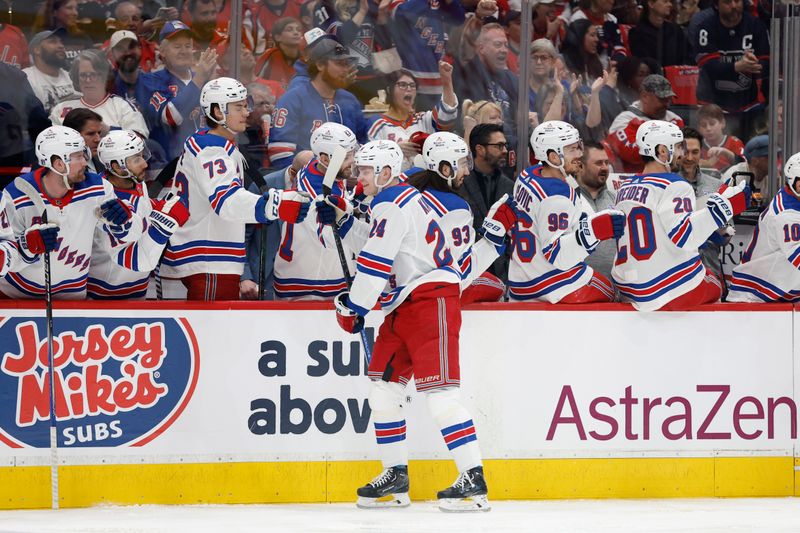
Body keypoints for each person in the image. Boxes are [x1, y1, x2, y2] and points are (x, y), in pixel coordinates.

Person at [326, 139, 492, 512]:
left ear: (387, 172)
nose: (359, 176)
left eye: (366, 171)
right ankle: (396, 475)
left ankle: (473, 479)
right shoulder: (410, 199)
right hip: (403, 304)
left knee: (441, 396)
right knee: (383, 390)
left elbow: (375, 260)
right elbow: (390, 246)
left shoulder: (394, 200)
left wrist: (355, 305)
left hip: (431, 302)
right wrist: (343, 219)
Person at [160, 77, 311, 301]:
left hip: (209, 260)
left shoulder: (214, 144)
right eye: (238, 107)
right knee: (210, 334)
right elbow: (226, 201)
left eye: (246, 105)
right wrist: (273, 204)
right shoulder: (212, 149)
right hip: (209, 261)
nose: (247, 112)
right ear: (218, 112)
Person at [611, 120, 749, 311]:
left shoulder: (623, 187)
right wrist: (727, 206)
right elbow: (684, 236)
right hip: (668, 289)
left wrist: (707, 230)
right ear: (661, 151)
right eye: (677, 147)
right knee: (715, 282)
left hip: (629, 289)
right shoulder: (675, 185)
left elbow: (656, 229)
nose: (682, 154)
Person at [0, 125, 140, 299]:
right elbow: (5, 255)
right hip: (18, 295)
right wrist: (26, 246)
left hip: (74, 295)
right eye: (79, 157)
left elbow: (128, 237)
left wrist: (125, 221)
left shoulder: (98, 188)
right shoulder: (16, 195)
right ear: (58, 163)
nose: (85, 163)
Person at [507, 120, 624, 302]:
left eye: (578, 147)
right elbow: (557, 255)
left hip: (520, 280)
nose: (580, 154)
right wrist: (594, 231)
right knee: (612, 293)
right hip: (553, 284)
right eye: (572, 149)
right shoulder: (557, 195)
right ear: (553, 157)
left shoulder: (528, 175)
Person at [405, 132, 511, 303]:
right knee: (498, 287)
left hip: (400, 285)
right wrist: (493, 241)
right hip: (433, 293)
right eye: (462, 164)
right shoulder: (456, 209)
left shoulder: (408, 182)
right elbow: (462, 274)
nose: (467, 171)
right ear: (445, 169)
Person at [88, 130, 189, 299]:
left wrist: (157, 207)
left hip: (136, 290)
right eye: (136, 159)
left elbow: (141, 210)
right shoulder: (106, 202)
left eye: (142, 156)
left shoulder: (134, 180)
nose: (145, 164)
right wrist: (163, 220)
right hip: (105, 296)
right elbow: (130, 257)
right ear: (116, 166)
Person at [272, 122, 358, 299]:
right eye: (347, 156)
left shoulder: (318, 167)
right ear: (326, 159)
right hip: (310, 287)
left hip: (310, 275)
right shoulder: (318, 197)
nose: (353, 161)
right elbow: (333, 240)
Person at [268, 31, 369, 168]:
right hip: (304, 181)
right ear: (320, 65)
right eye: (339, 63)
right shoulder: (293, 99)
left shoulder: (350, 100)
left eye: (347, 63)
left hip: (347, 180)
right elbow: (280, 154)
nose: (346, 69)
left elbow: (363, 145)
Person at [135, 21, 219, 161]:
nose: (184, 51)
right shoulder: (150, 80)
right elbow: (170, 117)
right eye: (177, 46)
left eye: (187, 46)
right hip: (170, 166)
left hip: (208, 160)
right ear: (162, 52)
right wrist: (200, 78)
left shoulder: (204, 79)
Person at [687, 0, 769, 137]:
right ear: (716, 5)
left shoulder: (756, 26)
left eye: (737, 1)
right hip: (712, 105)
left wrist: (755, 64)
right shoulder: (705, 28)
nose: (733, 6)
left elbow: (767, 62)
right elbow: (708, 67)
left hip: (749, 104)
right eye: (727, 2)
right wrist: (737, 66)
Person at [727, 152, 800, 302]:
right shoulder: (786, 215)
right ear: (792, 182)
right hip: (754, 296)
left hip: (777, 289)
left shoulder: (791, 195)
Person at [241, 150, 313, 300]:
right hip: (263, 279)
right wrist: (245, 276)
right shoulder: (262, 187)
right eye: (308, 177)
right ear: (294, 173)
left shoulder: (315, 187)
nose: (312, 181)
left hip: (302, 279)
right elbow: (242, 237)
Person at [368, 62, 458, 170]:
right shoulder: (377, 124)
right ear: (389, 90)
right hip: (393, 185)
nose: (409, 89)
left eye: (412, 85)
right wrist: (395, 149)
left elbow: (447, 115)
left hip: (424, 183)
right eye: (402, 85)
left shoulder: (424, 119)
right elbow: (369, 159)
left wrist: (446, 81)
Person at [50, 49, 149, 137]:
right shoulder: (61, 108)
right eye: (83, 75)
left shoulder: (122, 106)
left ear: (104, 76)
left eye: (93, 75)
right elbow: (50, 142)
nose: (88, 80)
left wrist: (109, 131)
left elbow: (139, 138)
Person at [461, 123, 514, 281]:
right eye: (499, 146)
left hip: (503, 276)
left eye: (505, 145)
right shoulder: (460, 183)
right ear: (480, 149)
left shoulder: (510, 186)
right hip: (469, 274)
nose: (505, 150)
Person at [390, 0, 465, 106]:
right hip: (412, 80)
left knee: (439, 120)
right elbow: (400, 13)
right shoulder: (405, 4)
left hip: (439, 78)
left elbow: (459, 19)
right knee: (413, 120)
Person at [454, 23, 519, 144]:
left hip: (510, 145)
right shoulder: (468, 75)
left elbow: (519, 120)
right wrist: (478, 18)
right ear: (481, 48)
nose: (504, 50)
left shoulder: (511, 79)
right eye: (498, 45)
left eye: (506, 45)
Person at [606, 74, 684, 172]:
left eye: (668, 99)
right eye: (662, 99)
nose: (667, 104)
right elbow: (632, 154)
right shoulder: (624, 120)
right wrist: (667, 143)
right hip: (633, 181)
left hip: (671, 179)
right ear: (644, 96)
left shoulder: (675, 119)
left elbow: (682, 153)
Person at [679, 127, 727, 276]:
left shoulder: (716, 185)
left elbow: (727, 233)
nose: (690, 158)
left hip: (710, 269)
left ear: (702, 153)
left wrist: (718, 233)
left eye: (695, 152)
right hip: (676, 273)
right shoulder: (666, 184)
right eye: (685, 152)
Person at [575, 141, 618, 279]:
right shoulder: (567, 200)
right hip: (576, 289)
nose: (605, 168)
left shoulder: (617, 200)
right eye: (599, 163)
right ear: (580, 166)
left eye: (607, 163)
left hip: (614, 290)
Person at [23, 29, 76, 113]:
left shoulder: (71, 77)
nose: (61, 46)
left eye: (61, 42)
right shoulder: (25, 78)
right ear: (37, 50)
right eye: (53, 42)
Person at [628, 0, 692, 67]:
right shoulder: (637, 33)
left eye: (670, 1)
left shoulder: (676, 30)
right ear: (651, 4)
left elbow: (688, 55)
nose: (670, 4)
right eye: (665, 1)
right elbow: (643, 62)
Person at [254, 17, 303, 90]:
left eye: (298, 30)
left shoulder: (305, 58)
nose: (296, 33)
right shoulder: (270, 56)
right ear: (278, 37)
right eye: (289, 29)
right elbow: (256, 83)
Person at [696, 103, 744, 172]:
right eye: (703, 125)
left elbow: (745, 165)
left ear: (723, 123)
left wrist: (726, 153)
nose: (708, 128)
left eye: (712, 123)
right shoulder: (697, 144)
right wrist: (706, 163)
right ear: (699, 128)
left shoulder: (735, 142)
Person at [108, 31, 146, 103]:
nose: (128, 53)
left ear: (139, 49)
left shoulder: (153, 84)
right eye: (121, 48)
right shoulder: (106, 87)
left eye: (131, 47)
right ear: (112, 53)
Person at [62, 108, 105, 173]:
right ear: (72, 135)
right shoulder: (63, 171)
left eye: (99, 133)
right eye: (90, 134)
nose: (98, 139)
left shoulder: (104, 163)